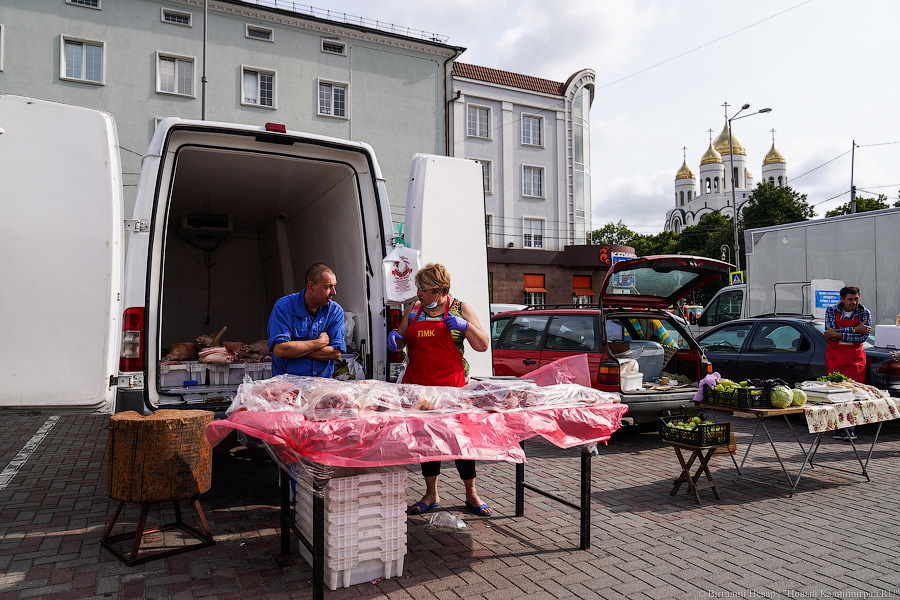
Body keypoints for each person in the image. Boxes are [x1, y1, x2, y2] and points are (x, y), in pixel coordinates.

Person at [386, 263, 492, 516]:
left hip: (452, 388)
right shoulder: (414, 310)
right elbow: (400, 338)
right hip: (418, 387)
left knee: (460, 441)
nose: (418, 293)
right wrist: (395, 337)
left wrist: (466, 327)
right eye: (418, 288)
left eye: (424, 289)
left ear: (441, 290)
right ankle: (431, 493)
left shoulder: (460, 308)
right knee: (427, 441)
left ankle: (471, 493)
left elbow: (483, 345)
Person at [267, 263, 345, 377]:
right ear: (311, 286)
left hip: (322, 385)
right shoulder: (284, 307)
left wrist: (295, 351)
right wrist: (319, 343)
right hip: (288, 385)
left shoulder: (335, 311)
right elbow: (280, 350)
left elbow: (335, 353)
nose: (334, 292)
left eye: (334, 286)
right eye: (327, 287)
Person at [824, 285, 871, 441]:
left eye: (856, 298)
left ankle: (850, 427)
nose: (854, 302)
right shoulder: (831, 310)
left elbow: (862, 338)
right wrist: (856, 329)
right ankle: (837, 428)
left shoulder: (865, 312)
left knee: (853, 393)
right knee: (836, 393)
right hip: (835, 358)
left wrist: (838, 333)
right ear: (842, 299)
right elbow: (829, 334)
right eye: (850, 299)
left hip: (855, 359)